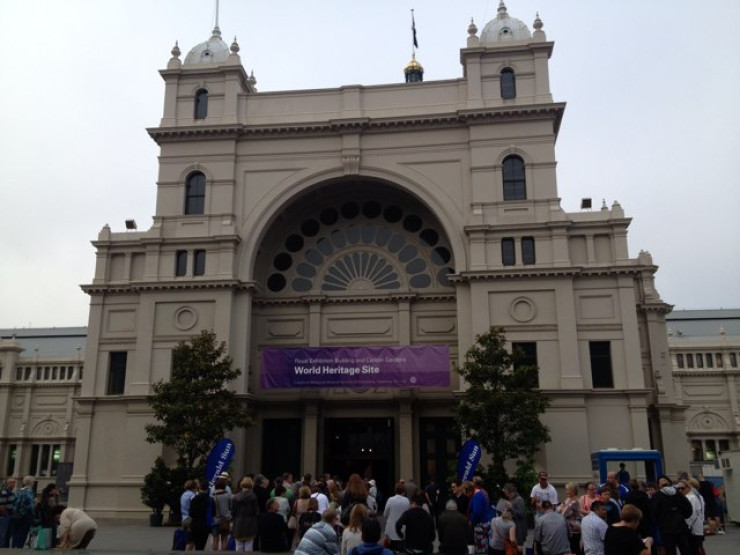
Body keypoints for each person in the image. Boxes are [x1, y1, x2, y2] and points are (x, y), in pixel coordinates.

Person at [651, 475, 692, 555]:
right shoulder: (678, 494)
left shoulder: (657, 496)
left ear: (659, 486)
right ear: (669, 483)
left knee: (670, 551)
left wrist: (659, 520)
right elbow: (688, 509)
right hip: (681, 527)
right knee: (685, 550)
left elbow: (653, 513)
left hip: (666, 529)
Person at [231, 476, 260, 552]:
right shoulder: (253, 497)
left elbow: (233, 512)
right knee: (249, 545)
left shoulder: (235, 497)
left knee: (238, 546)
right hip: (250, 523)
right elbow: (256, 511)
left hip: (238, 522)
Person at [679, 479, 705, 555]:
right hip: (697, 527)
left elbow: (691, 514)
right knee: (698, 548)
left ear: (688, 487)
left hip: (692, 528)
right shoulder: (698, 496)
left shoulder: (690, 497)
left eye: (682, 488)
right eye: (678, 488)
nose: (680, 490)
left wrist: (687, 525)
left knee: (694, 549)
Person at [468, 476, 492, 555]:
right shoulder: (483, 492)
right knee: (483, 545)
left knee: (480, 546)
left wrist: (471, 520)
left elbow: (477, 512)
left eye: (472, 481)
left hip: (480, 524)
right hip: (484, 523)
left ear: (474, 484)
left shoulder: (477, 495)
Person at [383, 482, 410, 551]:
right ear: (404, 491)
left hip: (390, 529)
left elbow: (385, 514)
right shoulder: (407, 501)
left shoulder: (390, 500)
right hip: (402, 530)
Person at [189, 481, 215, 551]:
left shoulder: (194, 499)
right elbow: (213, 513)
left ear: (199, 488)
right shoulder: (210, 500)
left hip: (195, 524)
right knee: (201, 546)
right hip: (205, 525)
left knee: (192, 542)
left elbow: (191, 513)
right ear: (207, 489)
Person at [11, 475, 35, 548]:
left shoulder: (19, 490)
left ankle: (14, 546)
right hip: (26, 514)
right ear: (31, 483)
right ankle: (19, 547)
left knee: (16, 531)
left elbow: (14, 502)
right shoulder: (30, 491)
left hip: (16, 514)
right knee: (23, 532)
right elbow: (31, 504)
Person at [557, 482, 581, 555]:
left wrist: (562, 509)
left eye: (568, 490)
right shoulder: (567, 499)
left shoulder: (575, 502)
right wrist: (561, 509)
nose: (566, 491)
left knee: (574, 549)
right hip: (567, 528)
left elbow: (564, 514)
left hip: (573, 530)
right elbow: (558, 509)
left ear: (573, 491)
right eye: (566, 489)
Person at [34, 483, 60, 548]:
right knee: (52, 535)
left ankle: (44, 545)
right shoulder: (51, 498)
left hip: (44, 520)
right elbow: (55, 508)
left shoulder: (43, 497)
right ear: (52, 489)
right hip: (50, 519)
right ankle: (52, 546)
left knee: (46, 534)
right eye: (55, 489)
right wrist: (57, 496)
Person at [502, 483, 527, 547]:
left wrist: (510, 508)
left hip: (519, 531)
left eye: (506, 493)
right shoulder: (512, 499)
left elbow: (521, 514)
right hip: (514, 530)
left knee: (517, 549)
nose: (506, 495)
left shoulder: (519, 500)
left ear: (511, 492)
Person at [212, 476, 232, 551]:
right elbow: (231, 508)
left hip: (215, 520)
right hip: (225, 520)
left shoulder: (213, 496)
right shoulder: (228, 496)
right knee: (224, 539)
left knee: (215, 539)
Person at [180, 479, 199, 551]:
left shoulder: (184, 494)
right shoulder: (192, 495)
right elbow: (195, 505)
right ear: (193, 487)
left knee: (189, 539)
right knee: (191, 541)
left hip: (184, 518)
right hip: (190, 519)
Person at [0, 478, 15, 548]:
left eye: (14, 483)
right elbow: (2, 505)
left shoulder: (11, 492)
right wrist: (6, 514)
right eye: (12, 483)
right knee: (3, 535)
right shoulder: (4, 492)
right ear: (8, 483)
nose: (14, 484)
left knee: (7, 535)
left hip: (9, 515)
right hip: (5, 516)